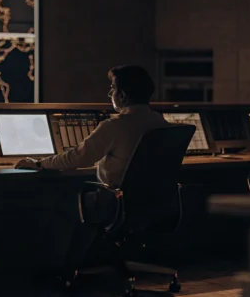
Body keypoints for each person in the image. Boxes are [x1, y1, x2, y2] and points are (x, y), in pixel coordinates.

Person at [14, 64, 170, 277]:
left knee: (63, 204)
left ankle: (63, 271)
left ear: (123, 95)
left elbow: (77, 157)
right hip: (156, 203)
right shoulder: (161, 122)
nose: (110, 93)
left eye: (113, 87)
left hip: (117, 203)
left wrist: (40, 164)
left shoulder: (116, 125)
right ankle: (97, 262)